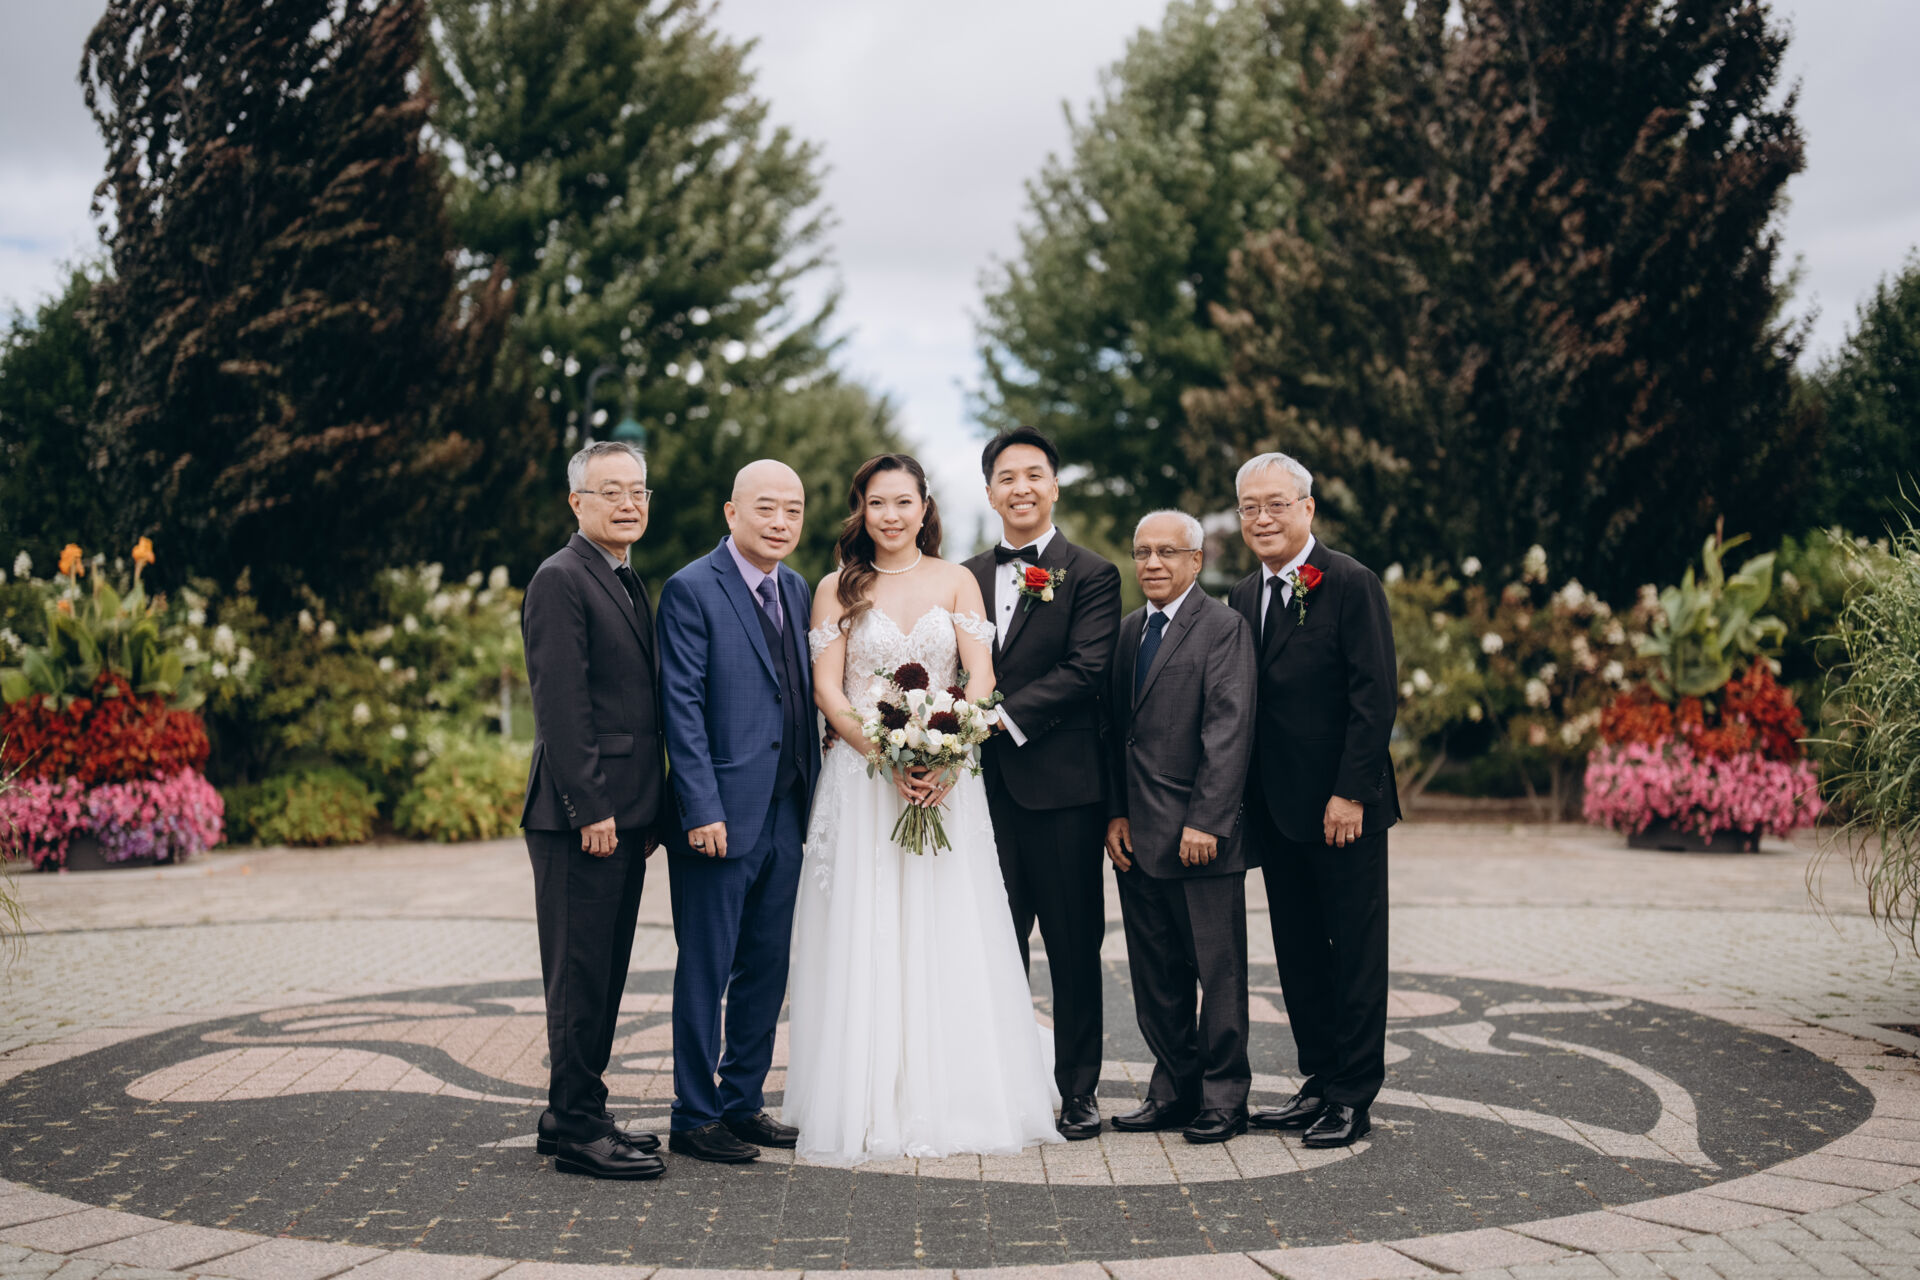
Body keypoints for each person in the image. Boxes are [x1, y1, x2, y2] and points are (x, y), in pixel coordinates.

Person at [783, 453, 1063, 1165]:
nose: (890, 515)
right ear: (861, 510)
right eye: (877, 503)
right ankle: (864, 1095)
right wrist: (883, 754)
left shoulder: (956, 580)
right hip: (862, 781)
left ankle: (956, 1092)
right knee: (865, 926)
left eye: (903, 502)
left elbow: (981, 677)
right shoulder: (837, 587)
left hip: (946, 780)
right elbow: (828, 689)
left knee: (947, 922)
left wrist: (949, 754)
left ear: (924, 507)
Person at [1227, 452, 1399, 1149]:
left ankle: (1353, 1096)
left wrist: (1350, 792)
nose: (1262, 518)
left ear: (1307, 508)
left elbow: (1374, 696)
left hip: (1341, 810)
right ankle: (1320, 1080)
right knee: (1298, 952)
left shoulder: (1351, 582)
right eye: (1250, 507)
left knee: (1353, 952)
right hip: (1276, 809)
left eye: (1276, 504)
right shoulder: (1243, 595)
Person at [656, 460, 822, 1164]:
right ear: (732, 513)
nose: (780, 522)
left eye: (793, 510)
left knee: (765, 964)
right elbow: (681, 705)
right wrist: (700, 806)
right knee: (707, 966)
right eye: (766, 508)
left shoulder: (798, 587)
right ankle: (694, 1115)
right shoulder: (692, 588)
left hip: (787, 809)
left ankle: (742, 1102)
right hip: (719, 814)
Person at [962, 428, 1122, 1141]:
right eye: (1006, 477)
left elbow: (1087, 670)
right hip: (976, 794)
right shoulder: (963, 575)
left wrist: (995, 720)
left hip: (1063, 794)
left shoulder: (1092, 574)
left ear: (1054, 486)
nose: (1020, 487)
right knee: (990, 944)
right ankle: (998, 1087)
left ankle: (1078, 1089)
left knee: (1071, 945)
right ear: (989, 492)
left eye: (1033, 475)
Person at [520, 440, 668, 1181]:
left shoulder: (622, 577)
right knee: (579, 976)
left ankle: (571, 1111)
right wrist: (591, 808)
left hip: (624, 814)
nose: (628, 503)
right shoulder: (560, 577)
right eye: (611, 491)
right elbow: (562, 705)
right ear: (576, 502)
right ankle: (579, 1129)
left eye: (637, 490)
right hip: (582, 816)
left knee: (604, 974)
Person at [1103, 511, 1258, 1144]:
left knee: (1217, 975)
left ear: (1196, 560)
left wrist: (1208, 821)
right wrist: (1115, 812)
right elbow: (1116, 732)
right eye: (1142, 552)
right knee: (1155, 976)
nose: (1152, 563)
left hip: (1200, 838)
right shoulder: (1126, 631)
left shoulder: (1223, 627)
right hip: (1136, 837)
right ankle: (1173, 1089)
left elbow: (1229, 729)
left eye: (1167, 551)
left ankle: (1224, 1098)